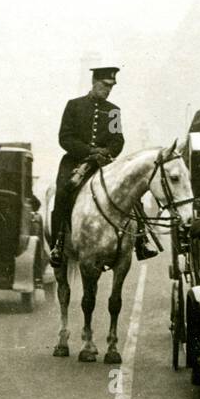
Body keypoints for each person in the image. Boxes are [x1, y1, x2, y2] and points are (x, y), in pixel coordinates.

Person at [48, 66, 149, 267]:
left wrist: (106, 153)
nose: (108, 89)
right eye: (105, 85)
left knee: (132, 196)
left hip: (103, 164)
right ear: (94, 82)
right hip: (75, 161)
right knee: (63, 194)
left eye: (111, 86)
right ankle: (58, 245)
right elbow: (65, 138)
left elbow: (117, 140)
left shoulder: (112, 111)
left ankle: (141, 242)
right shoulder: (74, 106)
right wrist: (89, 151)